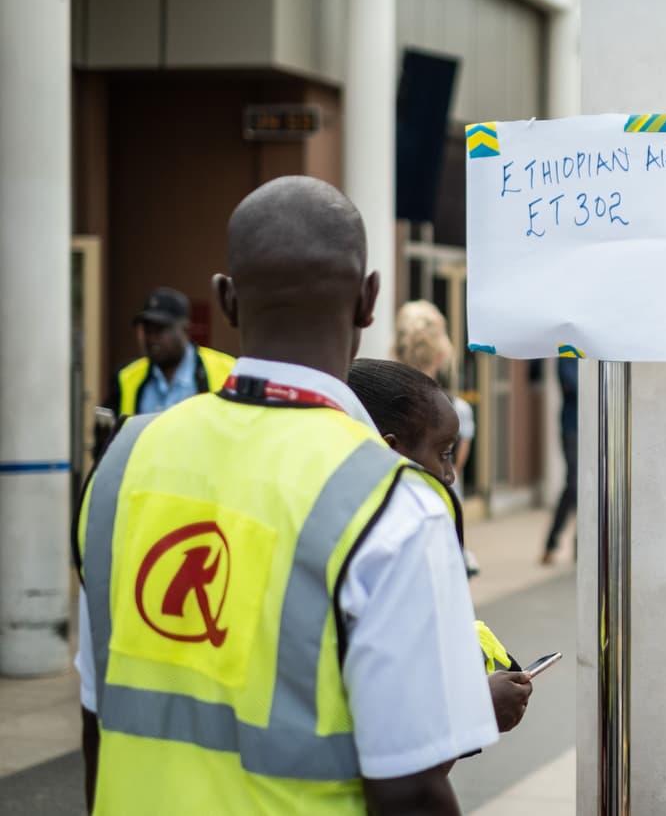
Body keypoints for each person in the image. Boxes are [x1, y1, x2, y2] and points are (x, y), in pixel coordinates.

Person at [74, 176, 496, 815]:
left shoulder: (121, 466)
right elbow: (411, 789)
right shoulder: (392, 504)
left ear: (225, 298)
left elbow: (95, 723)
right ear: (368, 299)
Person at [347, 357, 534, 734]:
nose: (449, 476)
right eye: (444, 454)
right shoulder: (380, 554)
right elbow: (390, 720)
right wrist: (475, 708)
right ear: (390, 450)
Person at [394, 299, 479, 575]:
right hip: (442, 515)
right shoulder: (456, 411)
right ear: (441, 355)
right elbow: (456, 466)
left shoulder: (380, 406)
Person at [104, 286, 236, 417]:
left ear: (185, 329)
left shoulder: (227, 370)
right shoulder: (127, 377)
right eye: (147, 330)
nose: (152, 338)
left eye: (160, 328)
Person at [542, 357, 578, 565]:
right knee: (574, 484)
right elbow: (571, 385)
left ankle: (581, 545)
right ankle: (553, 542)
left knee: (584, 487)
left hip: (592, 426)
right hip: (572, 429)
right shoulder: (568, 353)